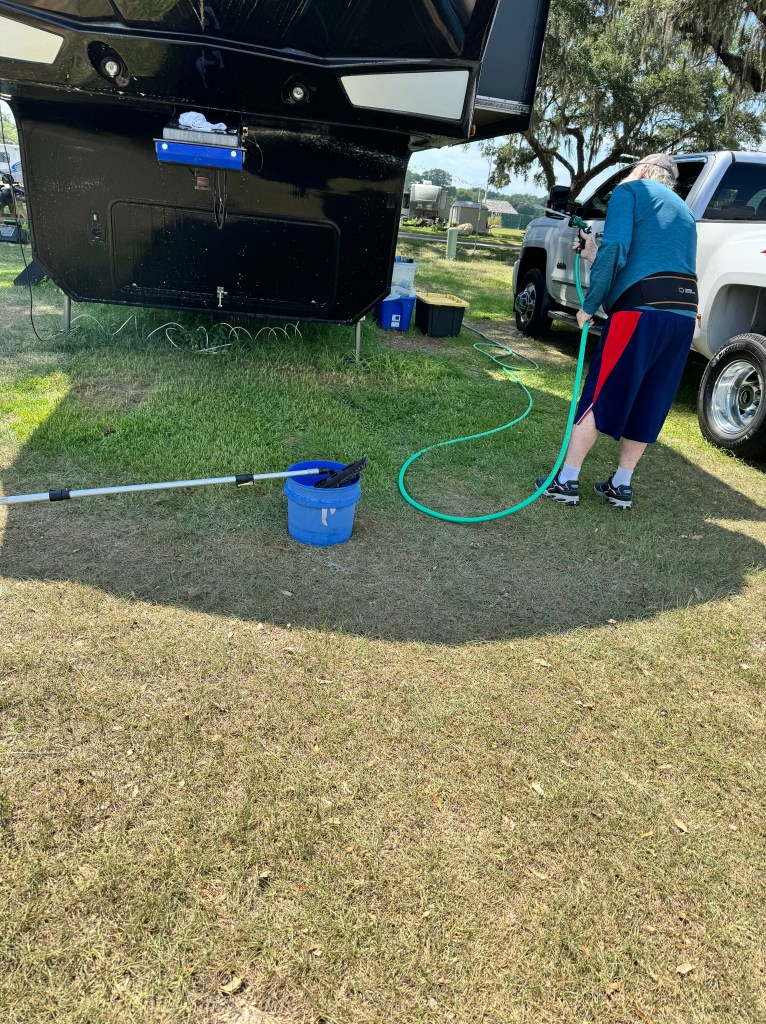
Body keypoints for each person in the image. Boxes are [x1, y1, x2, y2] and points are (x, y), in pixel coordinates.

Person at [536, 153, 697, 510]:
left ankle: (567, 480)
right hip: (684, 314)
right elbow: (645, 262)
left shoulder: (632, 191)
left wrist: (589, 304)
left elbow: (619, 247)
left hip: (640, 313)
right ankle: (621, 484)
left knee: (601, 391)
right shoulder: (684, 211)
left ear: (642, 170)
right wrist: (593, 252)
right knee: (650, 398)